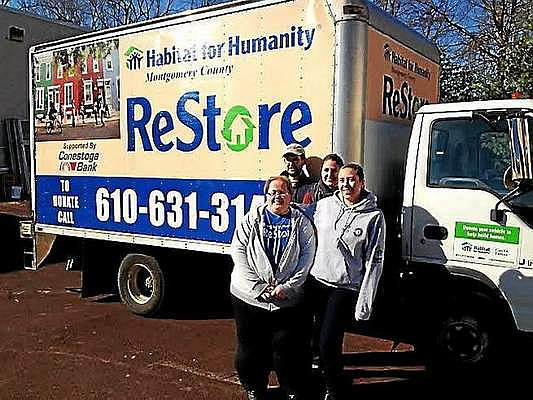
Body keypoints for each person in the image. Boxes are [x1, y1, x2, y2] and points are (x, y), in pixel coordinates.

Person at [230, 176, 317, 400]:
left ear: (290, 195)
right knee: (250, 347)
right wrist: (258, 287)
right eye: (273, 192)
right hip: (249, 296)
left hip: (286, 297)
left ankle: (291, 387)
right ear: (266, 196)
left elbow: (307, 256)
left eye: (282, 192)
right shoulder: (252, 218)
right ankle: (253, 387)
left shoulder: (301, 222)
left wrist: (288, 287)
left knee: (287, 347)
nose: (277, 196)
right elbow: (238, 252)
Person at [306, 163, 385, 400]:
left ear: (362, 182)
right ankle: (312, 380)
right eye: (341, 180)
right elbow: (302, 222)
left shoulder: (374, 216)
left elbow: (375, 260)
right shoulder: (325, 205)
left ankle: (333, 387)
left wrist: (365, 300)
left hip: (344, 287)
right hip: (316, 280)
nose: (345, 185)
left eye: (351, 180)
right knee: (310, 338)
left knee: (329, 342)